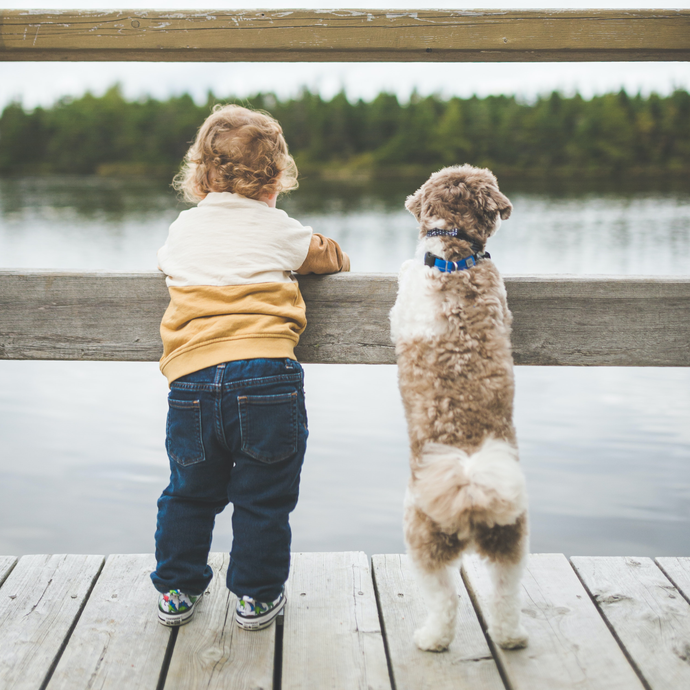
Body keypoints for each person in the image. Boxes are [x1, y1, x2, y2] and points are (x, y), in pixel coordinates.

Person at [151, 104, 350, 630]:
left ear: (199, 176)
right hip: (266, 378)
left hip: (191, 381)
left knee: (189, 492)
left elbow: (166, 262)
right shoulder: (278, 227)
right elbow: (329, 258)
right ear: (277, 178)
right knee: (264, 499)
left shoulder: (183, 229)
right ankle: (257, 599)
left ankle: (176, 590)